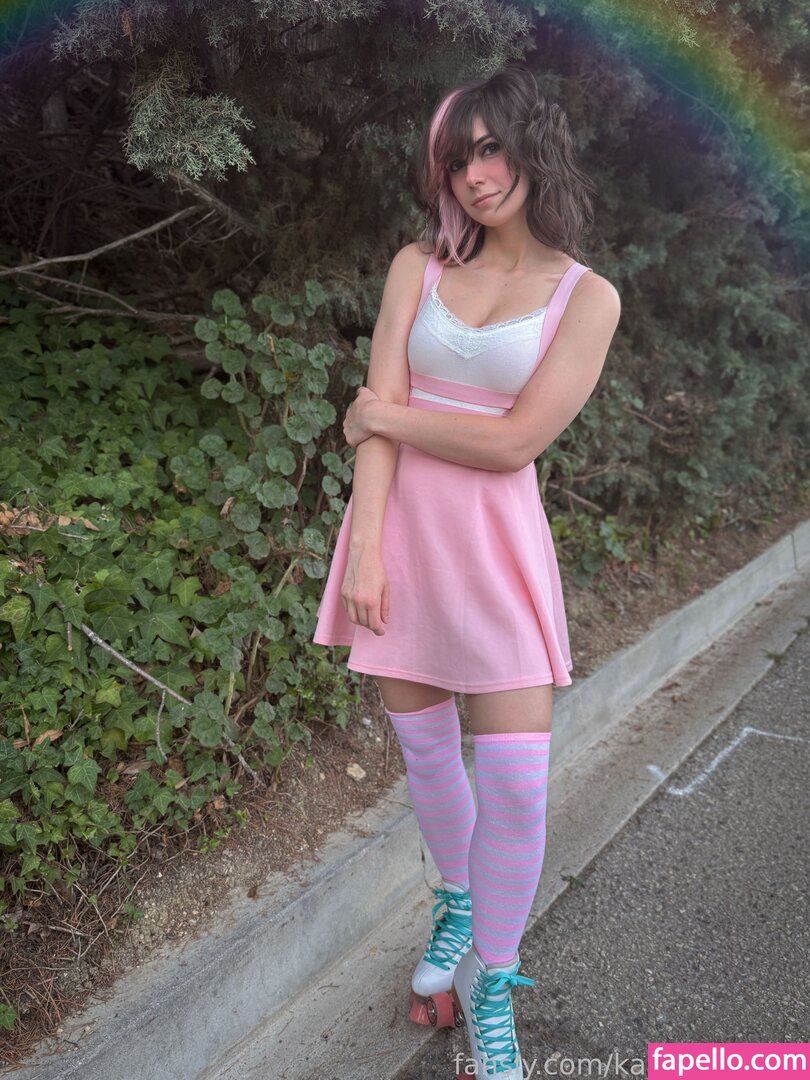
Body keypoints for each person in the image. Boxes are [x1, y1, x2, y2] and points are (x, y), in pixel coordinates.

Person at [312, 63, 621, 1079]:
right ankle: (454, 901)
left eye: (491, 149)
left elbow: (513, 442)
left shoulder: (587, 297)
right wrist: (365, 548)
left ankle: (494, 980)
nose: (476, 176)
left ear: (533, 146)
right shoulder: (418, 267)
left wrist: (385, 414)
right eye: (457, 160)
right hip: (399, 537)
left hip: (495, 551)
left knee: (520, 787)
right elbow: (377, 424)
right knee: (429, 756)